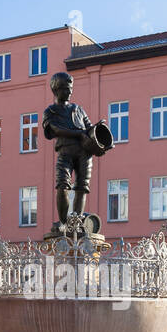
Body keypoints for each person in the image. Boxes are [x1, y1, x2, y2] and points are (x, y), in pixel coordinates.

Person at [41, 71, 103, 227]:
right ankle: (64, 223)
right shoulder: (50, 111)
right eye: (65, 89)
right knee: (62, 186)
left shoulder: (78, 109)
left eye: (70, 88)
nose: (69, 92)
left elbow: (88, 128)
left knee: (82, 187)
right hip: (66, 152)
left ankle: (76, 223)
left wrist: (97, 129)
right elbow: (54, 129)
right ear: (55, 90)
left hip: (85, 153)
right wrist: (79, 134)